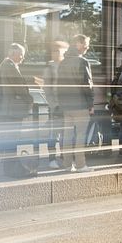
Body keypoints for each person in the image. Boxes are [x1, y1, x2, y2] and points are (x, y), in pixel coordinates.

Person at [57, 34, 94, 173]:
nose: (87, 47)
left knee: (67, 136)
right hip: (80, 105)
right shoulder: (82, 62)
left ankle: (67, 165)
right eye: (85, 44)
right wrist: (90, 104)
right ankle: (80, 165)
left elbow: (58, 85)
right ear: (78, 43)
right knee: (80, 136)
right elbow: (87, 85)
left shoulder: (63, 62)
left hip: (66, 106)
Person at [0, 43, 34, 172]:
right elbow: (20, 88)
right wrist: (29, 99)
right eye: (21, 54)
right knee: (13, 137)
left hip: (7, 108)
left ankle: (10, 167)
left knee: (9, 137)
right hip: (13, 109)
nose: (23, 57)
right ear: (13, 54)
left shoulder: (5, 65)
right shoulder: (10, 66)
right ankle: (13, 167)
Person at [42, 41, 69, 169]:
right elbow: (47, 90)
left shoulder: (67, 66)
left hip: (67, 106)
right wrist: (54, 105)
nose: (56, 53)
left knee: (66, 134)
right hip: (56, 107)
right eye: (54, 51)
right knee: (54, 134)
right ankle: (51, 159)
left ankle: (64, 157)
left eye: (59, 51)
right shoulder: (50, 68)